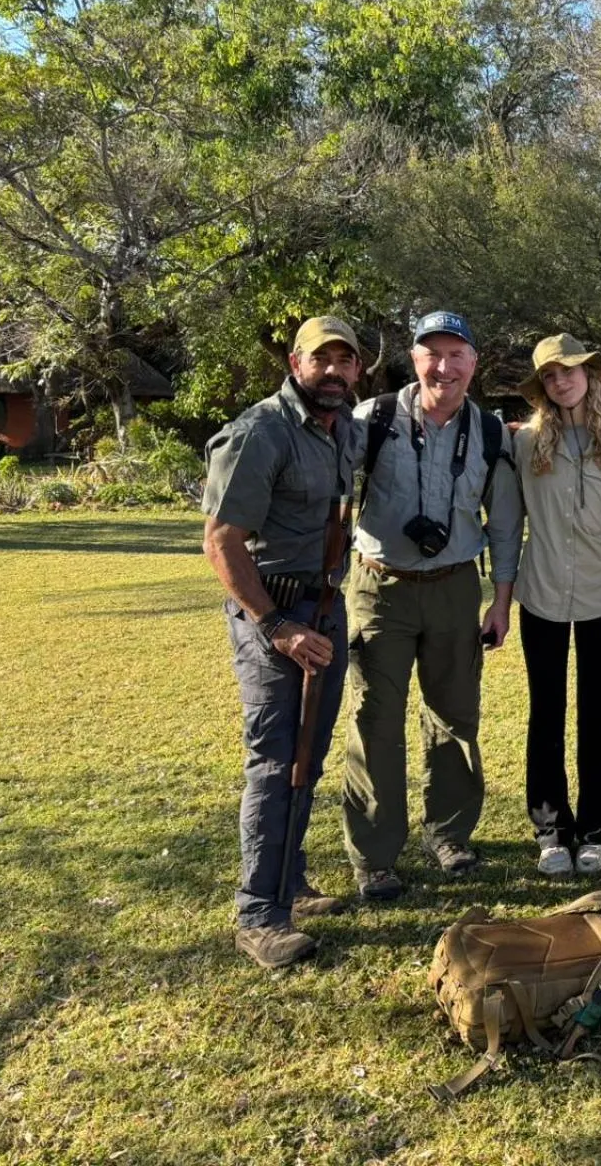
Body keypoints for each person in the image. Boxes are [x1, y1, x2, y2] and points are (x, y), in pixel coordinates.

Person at [201, 315, 362, 968]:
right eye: (320, 360)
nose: (333, 371)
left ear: (357, 372)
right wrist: (275, 625)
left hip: (325, 609)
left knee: (307, 755)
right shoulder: (259, 432)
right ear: (296, 364)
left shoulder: (341, 428)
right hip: (274, 614)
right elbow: (221, 541)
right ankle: (258, 913)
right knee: (273, 760)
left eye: (344, 361)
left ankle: (289, 883)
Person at [342, 310, 518, 901]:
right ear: (414, 359)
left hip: (454, 587)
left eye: (456, 355)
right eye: (431, 354)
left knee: (455, 717)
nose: (444, 367)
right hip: (379, 587)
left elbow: (505, 523)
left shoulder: (490, 432)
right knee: (375, 722)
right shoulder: (375, 418)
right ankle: (375, 855)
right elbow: (333, 493)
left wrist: (502, 600)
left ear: (474, 362)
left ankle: (448, 834)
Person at [511, 334, 601, 877]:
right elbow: (504, 520)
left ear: (590, 375)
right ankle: (550, 829)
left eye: (570, 371)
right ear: (542, 386)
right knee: (546, 711)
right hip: (540, 594)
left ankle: (594, 831)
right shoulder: (523, 446)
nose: (562, 381)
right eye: (550, 375)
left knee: (596, 712)